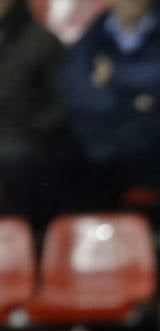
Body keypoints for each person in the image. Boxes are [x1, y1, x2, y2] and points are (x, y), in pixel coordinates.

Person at [62, 0, 160, 291]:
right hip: (107, 143)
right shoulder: (93, 36)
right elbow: (78, 92)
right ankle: (89, 276)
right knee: (59, 167)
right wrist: (137, 101)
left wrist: (113, 77)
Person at [0, 0, 65, 229]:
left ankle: (17, 238)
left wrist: (31, 131)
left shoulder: (43, 42)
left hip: (25, 138)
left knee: (16, 160)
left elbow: (61, 104)